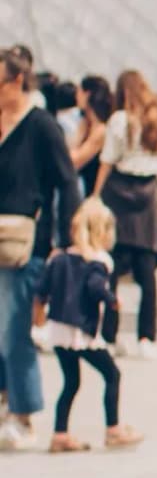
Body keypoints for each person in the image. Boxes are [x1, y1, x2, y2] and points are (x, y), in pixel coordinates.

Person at [0, 45, 80, 452]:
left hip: (25, 241)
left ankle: (23, 413)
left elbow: (67, 182)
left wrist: (64, 241)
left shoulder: (41, 125)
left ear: (17, 81)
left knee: (14, 328)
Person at [93, 71, 157, 361]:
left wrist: (94, 197)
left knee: (111, 273)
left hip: (119, 193)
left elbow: (107, 161)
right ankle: (147, 336)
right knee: (147, 273)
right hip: (148, 196)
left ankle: (109, 334)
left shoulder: (120, 120)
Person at [42, 200, 139, 452]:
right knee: (112, 374)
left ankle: (59, 433)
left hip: (59, 331)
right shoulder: (98, 261)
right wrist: (111, 300)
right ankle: (113, 429)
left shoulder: (60, 258)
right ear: (103, 232)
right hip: (82, 332)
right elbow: (95, 287)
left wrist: (38, 315)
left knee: (71, 382)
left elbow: (42, 289)